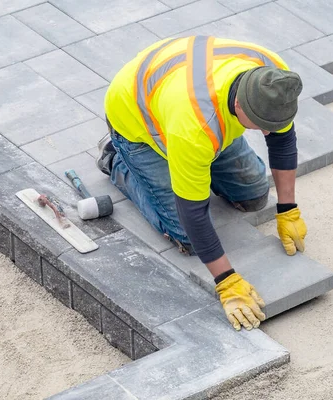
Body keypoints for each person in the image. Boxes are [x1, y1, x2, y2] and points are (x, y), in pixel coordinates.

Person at [97, 36, 307, 331]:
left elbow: (283, 140)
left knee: (255, 197)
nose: (265, 130)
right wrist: (227, 281)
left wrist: (288, 209)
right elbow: (192, 212)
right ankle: (116, 159)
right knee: (186, 236)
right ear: (238, 102)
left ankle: (199, 162)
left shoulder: (273, 79)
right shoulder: (193, 126)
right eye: (259, 123)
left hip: (184, 88)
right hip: (137, 120)